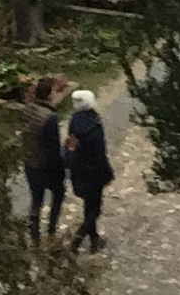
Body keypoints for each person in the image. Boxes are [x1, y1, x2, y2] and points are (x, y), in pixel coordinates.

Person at [65, 86, 114, 253]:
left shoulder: (74, 122)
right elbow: (99, 154)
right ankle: (76, 242)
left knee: (88, 206)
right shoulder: (95, 126)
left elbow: (70, 147)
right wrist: (107, 173)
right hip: (93, 173)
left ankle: (94, 239)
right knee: (95, 210)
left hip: (79, 171)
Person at [19, 79, 66, 244]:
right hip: (45, 165)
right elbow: (53, 149)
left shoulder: (27, 110)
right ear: (49, 95)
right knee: (58, 193)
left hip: (30, 162)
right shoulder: (49, 118)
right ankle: (51, 230)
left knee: (36, 199)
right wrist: (60, 169)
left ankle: (34, 234)